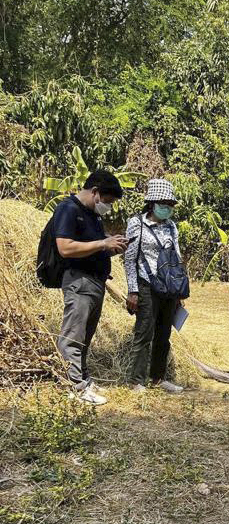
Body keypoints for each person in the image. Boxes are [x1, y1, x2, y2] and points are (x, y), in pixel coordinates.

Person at [54, 170, 127, 405]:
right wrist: (102, 243)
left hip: (95, 283)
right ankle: (74, 387)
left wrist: (110, 246)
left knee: (85, 336)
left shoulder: (93, 215)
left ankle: (82, 380)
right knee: (73, 337)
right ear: (95, 192)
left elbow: (92, 245)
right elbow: (65, 247)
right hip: (79, 281)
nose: (109, 206)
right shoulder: (69, 209)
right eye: (108, 201)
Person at [125, 179, 186, 394]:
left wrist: (179, 290)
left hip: (169, 287)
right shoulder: (136, 224)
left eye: (170, 203)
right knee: (144, 333)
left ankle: (158, 378)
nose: (167, 207)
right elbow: (130, 259)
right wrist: (132, 290)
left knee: (164, 334)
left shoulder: (171, 226)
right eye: (163, 202)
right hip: (146, 286)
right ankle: (136, 380)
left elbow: (176, 257)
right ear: (151, 203)